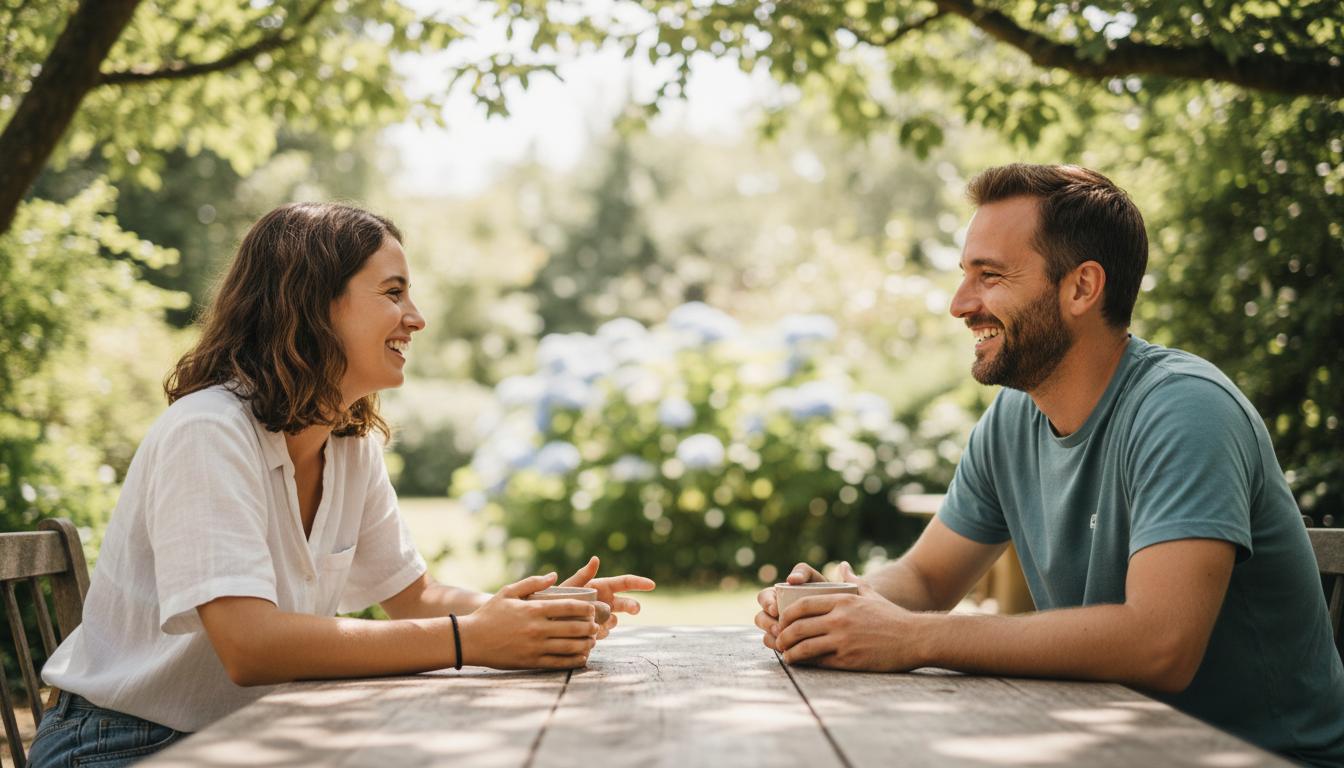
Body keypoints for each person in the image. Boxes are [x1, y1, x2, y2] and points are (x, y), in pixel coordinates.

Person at [755, 164, 1344, 765]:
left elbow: (1161, 645)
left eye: (990, 277)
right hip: (1110, 747)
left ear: (1082, 288)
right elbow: (929, 579)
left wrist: (914, 637)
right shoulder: (1014, 420)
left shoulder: (1185, 411)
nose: (961, 304)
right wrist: (842, 606)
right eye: (965, 276)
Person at [29, 202, 655, 767]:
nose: (417, 318)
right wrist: (471, 639)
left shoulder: (348, 442)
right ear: (311, 304)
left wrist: (529, 617)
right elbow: (249, 646)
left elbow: (416, 598)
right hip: (123, 745)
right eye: (393, 292)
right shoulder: (208, 431)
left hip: (255, 737)